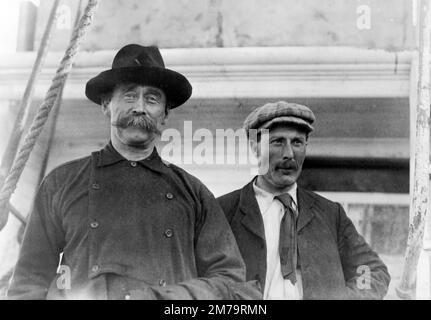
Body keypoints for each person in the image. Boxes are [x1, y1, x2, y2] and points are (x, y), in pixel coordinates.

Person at [7, 44, 260, 300]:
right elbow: (28, 284)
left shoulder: (193, 193)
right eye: (129, 96)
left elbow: (230, 281)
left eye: (151, 99)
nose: (139, 107)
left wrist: (162, 298)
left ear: (164, 114)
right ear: (106, 104)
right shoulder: (61, 183)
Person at [217, 101, 390, 300]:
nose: (289, 154)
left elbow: (370, 270)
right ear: (255, 147)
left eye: (297, 142)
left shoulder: (330, 214)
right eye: (278, 142)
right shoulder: (223, 211)